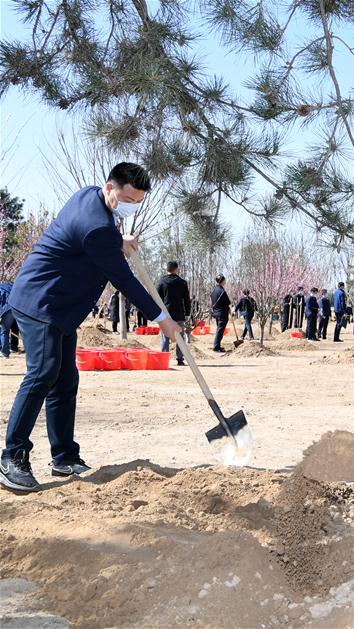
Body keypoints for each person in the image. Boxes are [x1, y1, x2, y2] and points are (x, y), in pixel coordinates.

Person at [0, 162, 180, 493]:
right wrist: (161, 319)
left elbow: (97, 236)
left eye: (138, 201)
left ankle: (64, 456)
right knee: (43, 373)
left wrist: (119, 238)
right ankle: (12, 457)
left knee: (65, 379)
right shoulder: (97, 227)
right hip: (42, 302)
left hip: (62, 306)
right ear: (110, 187)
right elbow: (124, 279)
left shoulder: (90, 196)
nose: (132, 205)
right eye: (128, 198)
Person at [156, 260, 191, 366]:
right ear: (176, 269)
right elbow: (186, 299)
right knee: (180, 336)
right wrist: (188, 312)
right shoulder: (182, 282)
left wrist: (157, 312)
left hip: (165, 314)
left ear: (167, 269)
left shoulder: (162, 282)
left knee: (165, 336)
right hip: (179, 313)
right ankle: (180, 359)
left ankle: (164, 359)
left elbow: (157, 298)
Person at [210, 274, 230, 352]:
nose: (225, 281)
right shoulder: (222, 291)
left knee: (219, 329)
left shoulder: (214, 290)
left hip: (216, 312)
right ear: (222, 281)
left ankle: (218, 345)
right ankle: (216, 347)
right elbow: (228, 302)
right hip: (222, 313)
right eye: (224, 280)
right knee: (220, 330)